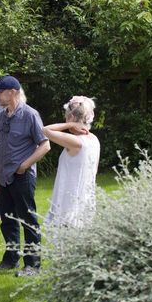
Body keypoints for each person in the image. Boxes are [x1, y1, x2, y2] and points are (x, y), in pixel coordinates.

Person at [0, 76, 50, 277]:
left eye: (0, 92)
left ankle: (33, 265)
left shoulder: (30, 115)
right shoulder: (2, 117)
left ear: (13, 92)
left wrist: (24, 166)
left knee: (28, 220)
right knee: (7, 220)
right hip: (5, 178)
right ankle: (10, 260)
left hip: (22, 178)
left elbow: (45, 145)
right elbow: (3, 148)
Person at [43, 96, 100, 228]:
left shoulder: (76, 142)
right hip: (85, 198)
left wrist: (70, 125)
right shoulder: (94, 140)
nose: (65, 119)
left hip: (70, 201)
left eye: (67, 117)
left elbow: (45, 130)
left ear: (72, 117)